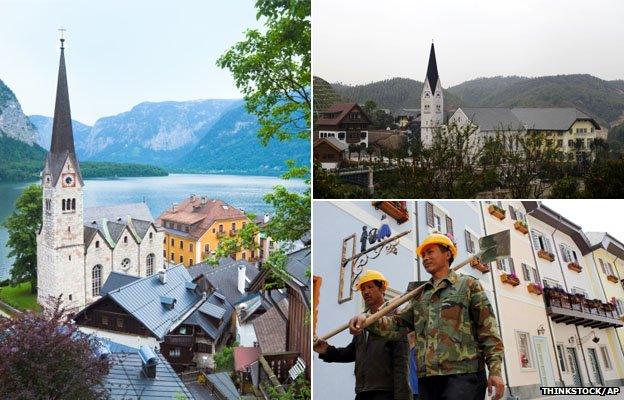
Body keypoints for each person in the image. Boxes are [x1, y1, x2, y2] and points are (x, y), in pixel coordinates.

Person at [349, 233, 505, 400]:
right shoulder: (420, 295)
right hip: (428, 379)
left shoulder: (468, 285)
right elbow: (397, 325)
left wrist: (495, 370)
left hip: (463, 375)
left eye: (430, 252)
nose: (425, 258)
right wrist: (368, 322)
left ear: (447, 254)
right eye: (423, 255)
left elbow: (488, 329)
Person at [314, 269, 410, 400]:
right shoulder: (362, 321)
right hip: (363, 391)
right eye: (363, 289)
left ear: (382, 289)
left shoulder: (395, 319)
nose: (365, 292)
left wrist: (402, 397)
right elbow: (352, 352)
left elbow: (401, 362)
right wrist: (326, 350)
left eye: (370, 287)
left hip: (385, 392)